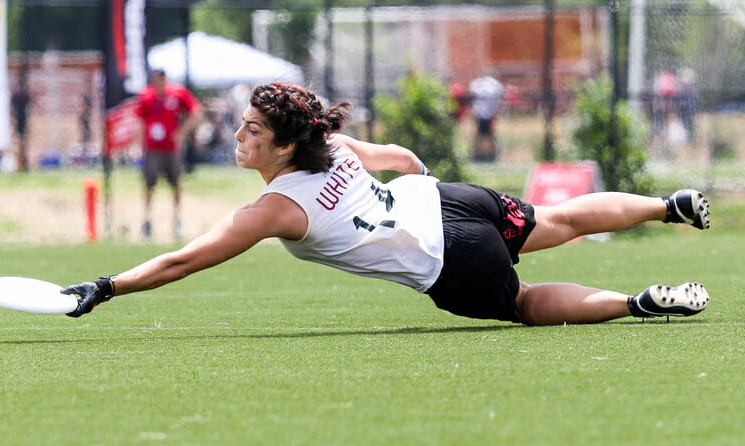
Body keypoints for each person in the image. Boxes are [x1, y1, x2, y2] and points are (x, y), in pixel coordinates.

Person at [61, 82, 711, 326]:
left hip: (444, 255)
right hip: (449, 201)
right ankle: (667, 205)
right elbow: (400, 157)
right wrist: (427, 193)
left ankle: (637, 304)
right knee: (558, 220)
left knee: (522, 303)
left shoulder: (275, 210)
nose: (239, 135)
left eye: (253, 130)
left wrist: (108, 286)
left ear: (286, 144)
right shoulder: (334, 144)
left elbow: (184, 261)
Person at [135, 69, 203, 240]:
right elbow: (141, 121)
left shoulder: (177, 93)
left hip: (171, 148)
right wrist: (138, 145)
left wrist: (182, 132)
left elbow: (196, 112)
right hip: (152, 148)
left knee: (175, 184)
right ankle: (147, 220)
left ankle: (178, 219)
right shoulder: (146, 96)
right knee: (149, 184)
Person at [468, 73, 504, 162]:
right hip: (480, 115)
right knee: (480, 136)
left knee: (490, 136)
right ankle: (479, 155)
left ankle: (492, 155)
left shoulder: (492, 85)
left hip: (489, 115)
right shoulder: (477, 84)